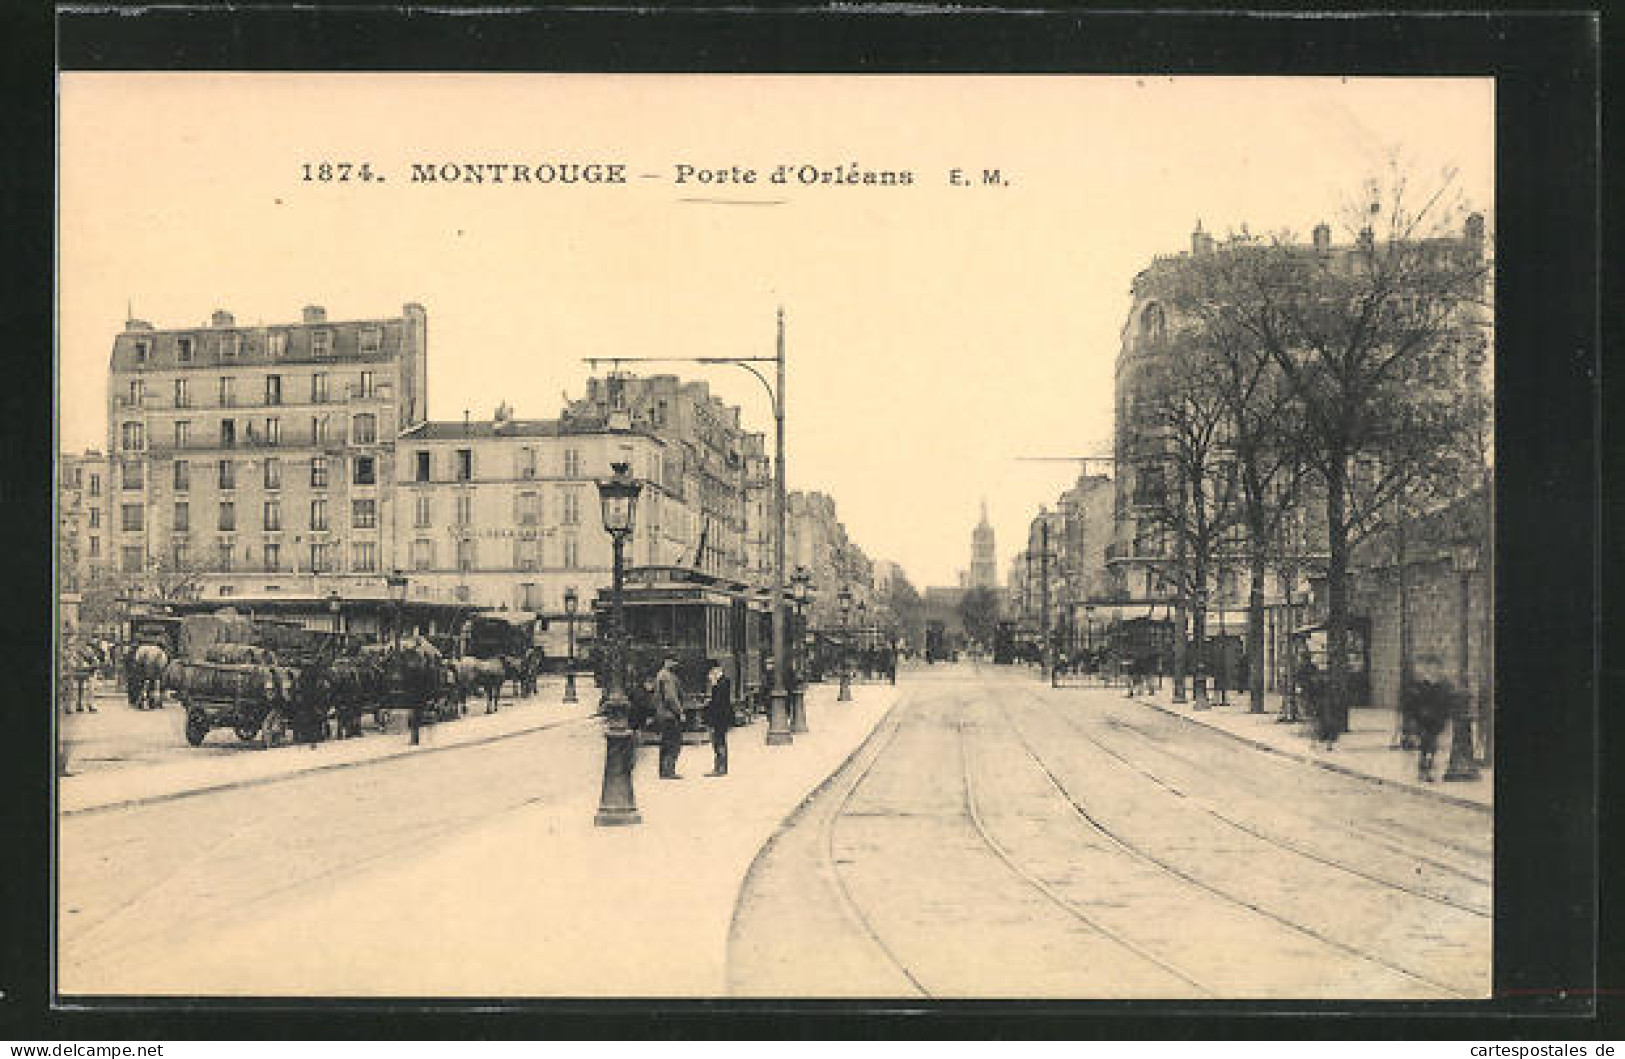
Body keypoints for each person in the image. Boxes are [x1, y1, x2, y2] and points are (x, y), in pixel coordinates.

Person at [653, 656, 685, 779]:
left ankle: (664, 771)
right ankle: (668, 771)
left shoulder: (661, 674)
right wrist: (680, 712)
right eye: (673, 662)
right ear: (668, 662)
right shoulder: (667, 676)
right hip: (670, 715)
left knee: (666, 742)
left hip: (663, 714)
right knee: (674, 742)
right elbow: (670, 697)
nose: (675, 664)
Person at [703, 662, 733, 777]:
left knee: (718, 742)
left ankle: (720, 768)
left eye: (711, 673)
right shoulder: (723, 682)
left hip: (719, 718)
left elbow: (718, 703)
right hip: (721, 718)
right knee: (720, 741)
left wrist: (708, 703)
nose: (709, 676)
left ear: (716, 671)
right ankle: (721, 767)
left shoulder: (721, 683)